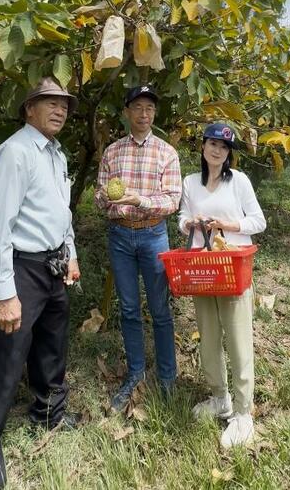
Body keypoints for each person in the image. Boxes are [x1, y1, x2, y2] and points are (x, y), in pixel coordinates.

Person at [0, 78, 81, 490]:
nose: (59, 110)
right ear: (28, 108)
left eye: (64, 105)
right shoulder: (15, 152)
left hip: (52, 266)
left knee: (51, 347)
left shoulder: (56, 153)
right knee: (5, 360)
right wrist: (5, 293)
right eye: (49, 102)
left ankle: (48, 413)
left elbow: (59, 210)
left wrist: (71, 253)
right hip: (22, 268)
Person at [178, 122, 266, 448]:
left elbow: (259, 221)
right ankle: (220, 398)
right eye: (213, 144)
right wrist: (189, 223)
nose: (218, 150)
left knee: (239, 337)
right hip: (203, 266)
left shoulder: (238, 182)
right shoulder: (190, 182)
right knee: (209, 336)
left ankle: (243, 413)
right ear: (202, 147)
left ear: (228, 154)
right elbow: (182, 217)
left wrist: (227, 225)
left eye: (224, 147)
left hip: (234, 265)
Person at [95, 85, 181, 411]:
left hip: (153, 235)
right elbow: (100, 198)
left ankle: (167, 376)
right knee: (129, 309)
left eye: (149, 109)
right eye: (138, 108)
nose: (144, 114)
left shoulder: (166, 153)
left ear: (154, 113)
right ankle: (135, 372)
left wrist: (138, 199)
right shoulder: (112, 152)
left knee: (160, 310)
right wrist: (108, 197)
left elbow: (172, 200)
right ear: (127, 112)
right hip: (120, 236)